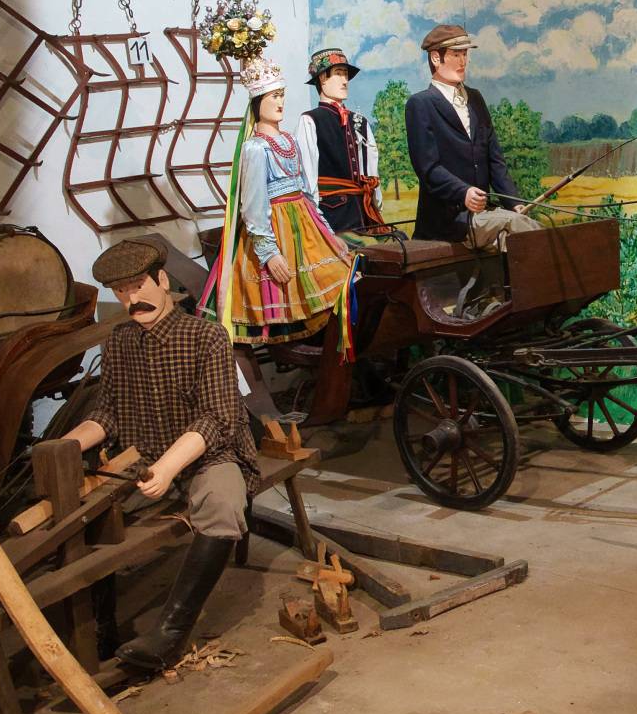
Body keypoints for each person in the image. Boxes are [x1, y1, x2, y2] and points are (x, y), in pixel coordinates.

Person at [62, 239, 260, 673]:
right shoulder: (119, 342)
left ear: (162, 281)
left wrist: (169, 467)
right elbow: (108, 412)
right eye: (121, 291)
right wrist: (68, 446)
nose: (132, 298)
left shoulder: (207, 336)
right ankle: (102, 628)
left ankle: (170, 633)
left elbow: (216, 418)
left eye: (138, 285)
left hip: (208, 456)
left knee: (223, 505)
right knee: (86, 510)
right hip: (143, 458)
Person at [201, 56, 358, 353]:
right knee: (292, 289)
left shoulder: (289, 141)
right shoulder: (255, 148)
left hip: (305, 227)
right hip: (277, 229)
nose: (280, 102)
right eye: (273, 96)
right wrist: (269, 253)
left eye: (282, 95)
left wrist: (327, 233)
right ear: (257, 102)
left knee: (344, 274)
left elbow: (307, 194)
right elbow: (252, 207)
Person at [404, 23, 539, 247]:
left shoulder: (475, 98)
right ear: (436, 58)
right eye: (456, 54)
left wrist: (513, 203)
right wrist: (463, 192)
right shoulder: (420, 104)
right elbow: (428, 168)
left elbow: (494, 160)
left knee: (526, 231)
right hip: (447, 221)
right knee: (520, 228)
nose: (463, 61)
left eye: (465, 54)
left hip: (484, 215)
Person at [296, 46, 400, 244]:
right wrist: (316, 221)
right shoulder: (310, 120)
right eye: (338, 73)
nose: (345, 80)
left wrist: (375, 206)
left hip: (363, 212)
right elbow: (307, 178)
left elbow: (371, 171)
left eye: (345, 74)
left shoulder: (360, 121)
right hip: (332, 215)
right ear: (322, 79)